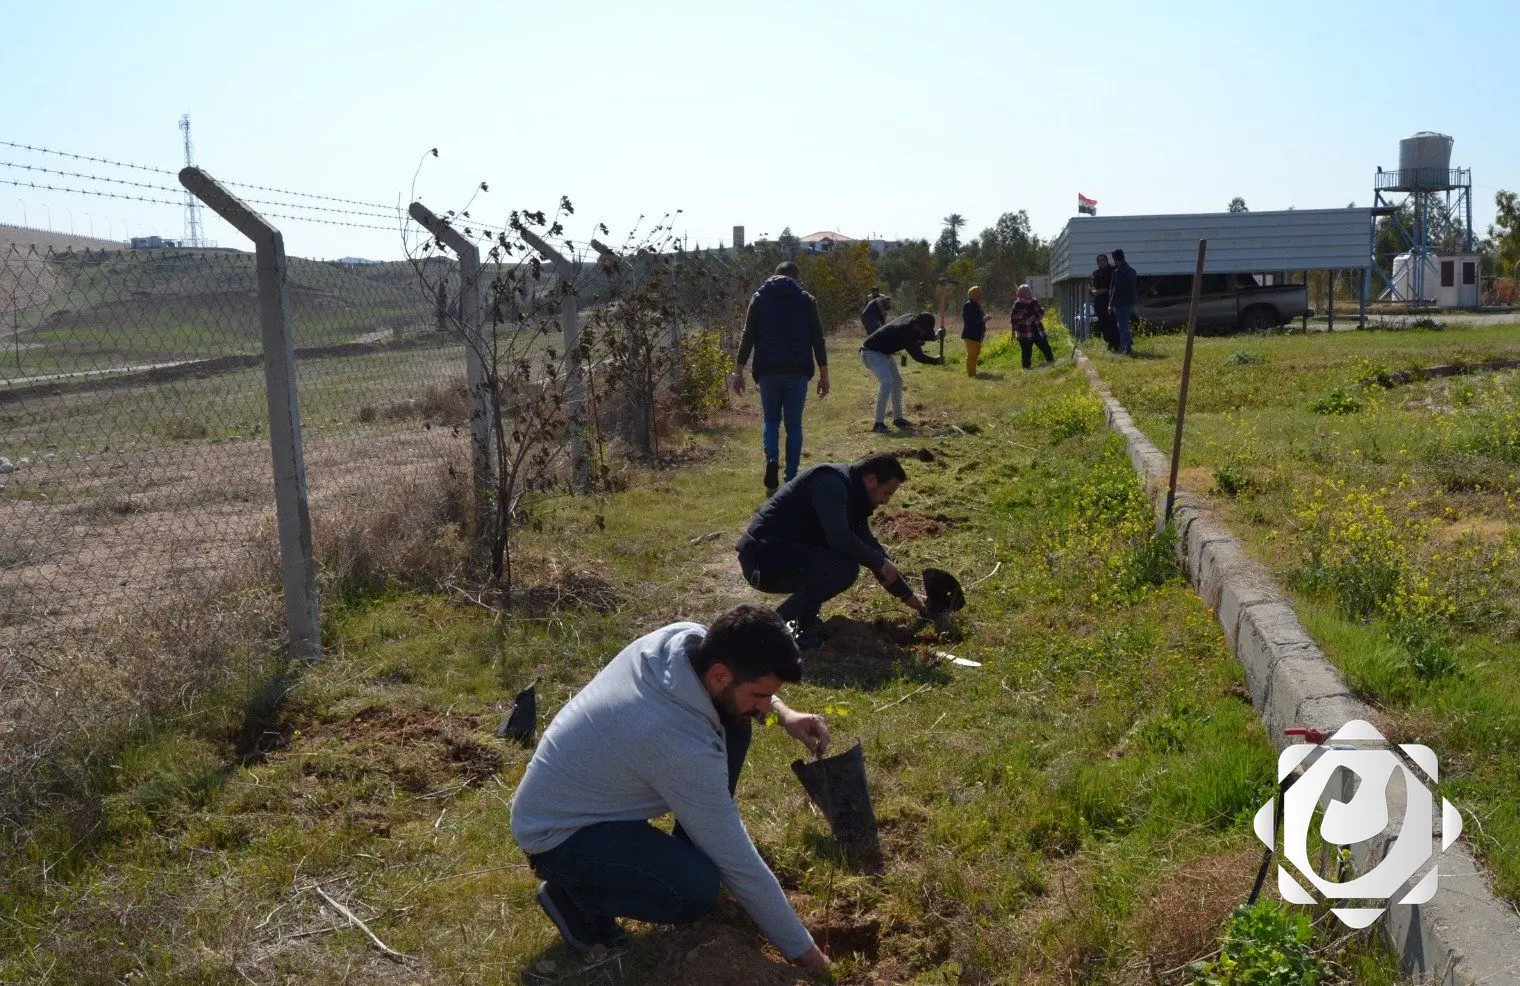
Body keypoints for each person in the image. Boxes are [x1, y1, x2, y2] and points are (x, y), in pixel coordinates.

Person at [512, 605, 832, 976]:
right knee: (695, 891)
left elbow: (742, 688)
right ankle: (574, 896)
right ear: (719, 676)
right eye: (760, 695)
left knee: (735, 723)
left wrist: (783, 712)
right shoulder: (674, 739)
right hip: (559, 835)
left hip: (586, 790)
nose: (764, 707)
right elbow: (738, 862)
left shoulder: (685, 641)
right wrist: (807, 955)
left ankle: (685, 850)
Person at [736, 453, 929, 649]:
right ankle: (774, 629)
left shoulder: (854, 495)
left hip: (784, 556)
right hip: (762, 561)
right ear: (871, 480)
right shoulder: (830, 483)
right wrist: (879, 562)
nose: (886, 501)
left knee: (832, 559)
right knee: (843, 568)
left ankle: (805, 624)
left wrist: (908, 596)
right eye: (887, 493)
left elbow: (870, 547)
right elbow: (840, 539)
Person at [731, 262, 830, 493]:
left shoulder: (759, 298)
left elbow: (747, 337)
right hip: (796, 372)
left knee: (771, 420)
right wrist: (824, 376)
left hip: (768, 371)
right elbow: (818, 339)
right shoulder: (807, 300)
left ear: (775, 275)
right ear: (796, 278)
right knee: (794, 425)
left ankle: (772, 461)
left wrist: (738, 371)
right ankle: (792, 478)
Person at [859, 312, 944, 433]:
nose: (923, 333)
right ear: (917, 325)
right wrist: (935, 361)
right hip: (871, 353)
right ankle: (878, 424)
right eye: (923, 330)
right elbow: (919, 357)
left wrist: (936, 336)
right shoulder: (905, 332)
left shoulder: (912, 321)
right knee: (887, 382)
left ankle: (898, 419)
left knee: (897, 382)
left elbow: (919, 334)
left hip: (884, 353)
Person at [1011, 284, 1054, 369]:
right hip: (1025, 333)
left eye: (1030, 292)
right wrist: (1013, 331)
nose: (1030, 294)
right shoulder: (1018, 304)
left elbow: (1041, 310)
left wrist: (1037, 314)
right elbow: (1014, 319)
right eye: (1028, 293)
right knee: (1026, 352)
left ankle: (1051, 362)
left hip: (1037, 330)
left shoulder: (1034, 301)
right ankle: (1027, 369)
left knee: (1046, 348)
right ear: (1022, 294)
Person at [1107, 248, 1139, 356]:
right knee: (1124, 325)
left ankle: (1126, 349)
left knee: (1122, 326)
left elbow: (1116, 289)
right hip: (1130, 302)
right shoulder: (1132, 270)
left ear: (1116, 259)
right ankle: (1124, 347)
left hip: (1121, 303)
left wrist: (1111, 304)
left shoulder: (1118, 272)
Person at [1090, 254, 1119, 352]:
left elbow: (1114, 286)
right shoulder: (1096, 273)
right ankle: (1109, 343)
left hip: (1109, 301)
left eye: (1103, 260)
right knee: (1103, 324)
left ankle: (1117, 345)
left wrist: (1103, 290)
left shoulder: (1112, 271)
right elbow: (1092, 286)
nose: (1101, 262)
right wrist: (1093, 291)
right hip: (1099, 302)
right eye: (1099, 261)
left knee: (1111, 323)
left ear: (1106, 260)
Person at [961, 285, 988, 376]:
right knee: (972, 355)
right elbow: (972, 320)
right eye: (978, 293)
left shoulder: (977, 304)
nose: (980, 295)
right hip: (970, 334)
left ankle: (973, 369)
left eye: (980, 293)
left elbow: (980, 318)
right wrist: (984, 319)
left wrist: (984, 319)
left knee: (977, 353)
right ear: (973, 294)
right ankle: (971, 373)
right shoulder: (968, 305)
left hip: (978, 334)